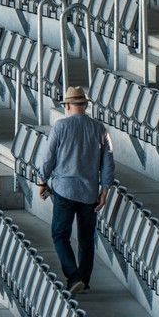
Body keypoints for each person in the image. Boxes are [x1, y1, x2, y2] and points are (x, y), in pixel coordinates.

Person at [37, 83, 115, 293]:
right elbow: (108, 163)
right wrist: (105, 191)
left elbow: (49, 158)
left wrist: (42, 181)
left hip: (64, 189)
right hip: (89, 192)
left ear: (68, 105)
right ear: (85, 105)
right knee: (86, 239)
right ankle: (84, 280)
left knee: (59, 235)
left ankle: (73, 277)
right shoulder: (100, 129)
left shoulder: (60, 126)